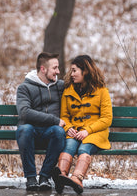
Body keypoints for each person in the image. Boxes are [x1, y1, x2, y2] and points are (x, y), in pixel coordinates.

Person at [53, 55, 112, 194]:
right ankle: (61, 176)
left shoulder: (101, 91)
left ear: (85, 70)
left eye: (74, 70)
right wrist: (68, 128)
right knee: (68, 147)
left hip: (95, 132)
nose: (71, 74)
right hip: (75, 131)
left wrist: (88, 130)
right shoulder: (68, 91)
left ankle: (77, 179)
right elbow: (64, 116)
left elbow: (107, 118)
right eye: (71, 71)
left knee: (83, 149)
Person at [16, 52, 67, 191]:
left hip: (50, 135)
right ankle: (31, 178)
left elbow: (81, 83)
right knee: (25, 129)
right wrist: (54, 120)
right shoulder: (24, 88)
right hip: (30, 135)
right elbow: (24, 112)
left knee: (59, 131)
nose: (58, 71)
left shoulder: (60, 86)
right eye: (55, 68)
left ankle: (45, 177)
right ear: (43, 69)